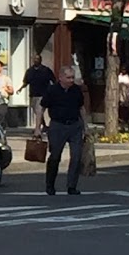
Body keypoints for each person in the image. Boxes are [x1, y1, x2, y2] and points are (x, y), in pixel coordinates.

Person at [41, 65, 86, 196]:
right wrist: (38, 128)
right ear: (60, 78)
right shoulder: (52, 90)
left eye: (73, 77)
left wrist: (85, 127)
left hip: (75, 126)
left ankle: (72, 186)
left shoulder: (76, 90)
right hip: (57, 126)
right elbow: (41, 108)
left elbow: (81, 108)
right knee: (55, 156)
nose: (71, 80)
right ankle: (50, 185)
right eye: (68, 77)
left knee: (76, 157)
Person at [23, 55, 56, 135]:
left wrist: (52, 91)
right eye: (34, 59)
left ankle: (37, 130)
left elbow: (53, 80)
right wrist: (21, 89)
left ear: (41, 60)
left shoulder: (46, 70)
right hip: (33, 94)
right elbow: (26, 81)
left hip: (43, 94)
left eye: (37, 59)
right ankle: (44, 126)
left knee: (39, 111)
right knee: (37, 112)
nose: (35, 60)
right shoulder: (30, 71)